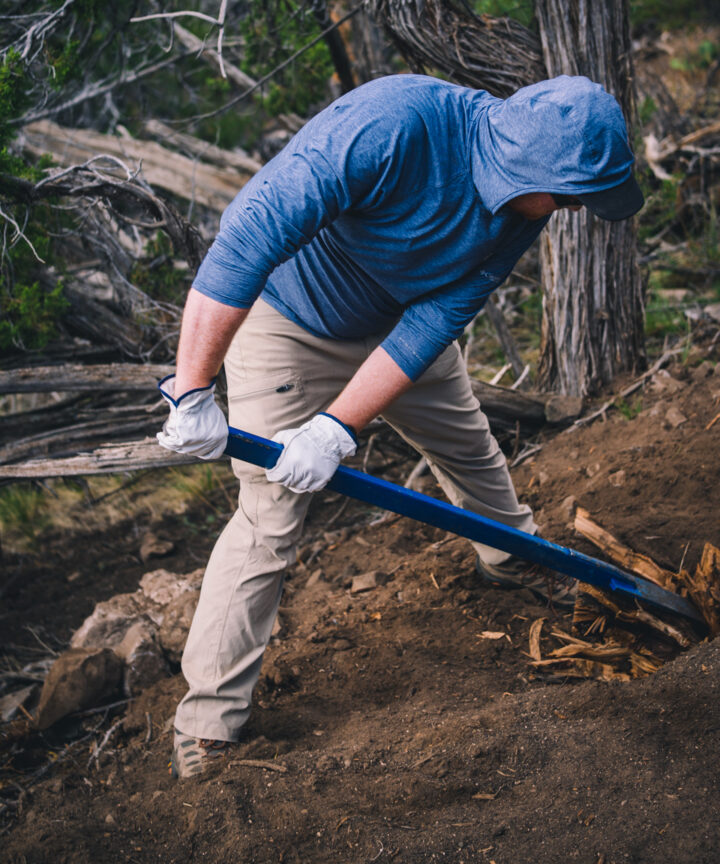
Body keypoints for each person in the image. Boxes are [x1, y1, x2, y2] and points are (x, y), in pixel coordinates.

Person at [157, 73, 643, 778]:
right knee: (271, 512)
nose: (565, 211)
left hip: (398, 330)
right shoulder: (393, 124)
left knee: (470, 450)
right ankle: (209, 722)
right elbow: (247, 238)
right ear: (530, 167)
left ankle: (515, 560)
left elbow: (439, 316)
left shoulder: (524, 206)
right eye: (567, 195)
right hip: (289, 321)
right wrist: (194, 389)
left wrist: (335, 429)